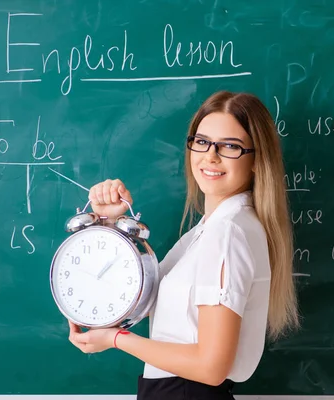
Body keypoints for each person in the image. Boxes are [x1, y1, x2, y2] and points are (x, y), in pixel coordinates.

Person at [67, 90, 300, 399]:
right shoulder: (207, 231)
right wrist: (108, 225)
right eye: (202, 142)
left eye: (230, 146)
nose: (211, 156)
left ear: (258, 160)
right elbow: (133, 302)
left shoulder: (227, 233)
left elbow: (211, 366)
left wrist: (116, 340)